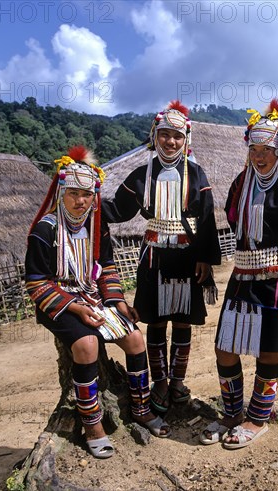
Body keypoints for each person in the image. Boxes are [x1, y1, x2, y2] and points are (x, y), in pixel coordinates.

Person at [25, 146, 171, 460]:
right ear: (62, 191)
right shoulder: (45, 230)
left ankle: (141, 409)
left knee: (134, 338)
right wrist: (76, 308)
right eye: (74, 193)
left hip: (91, 295)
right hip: (59, 302)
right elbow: (37, 282)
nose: (81, 201)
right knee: (87, 345)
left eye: (88, 195)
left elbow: (105, 267)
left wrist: (117, 301)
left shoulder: (96, 226)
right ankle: (93, 425)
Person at [200, 99, 278, 449]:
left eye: (265, 149)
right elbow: (232, 217)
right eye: (253, 148)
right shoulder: (242, 184)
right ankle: (231, 413)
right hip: (242, 278)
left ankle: (258, 418)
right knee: (226, 347)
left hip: (277, 284)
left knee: (267, 351)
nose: (259, 156)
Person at [102, 100, 221, 415]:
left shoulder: (196, 174)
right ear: (155, 136)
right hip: (154, 257)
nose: (171, 141)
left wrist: (205, 259)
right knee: (154, 323)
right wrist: (86, 203)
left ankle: (178, 381)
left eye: (177, 136)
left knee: (182, 322)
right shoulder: (141, 175)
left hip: (187, 256)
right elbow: (117, 209)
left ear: (186, 139)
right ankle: (160, 383)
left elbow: (207, 219)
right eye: (165, 134)